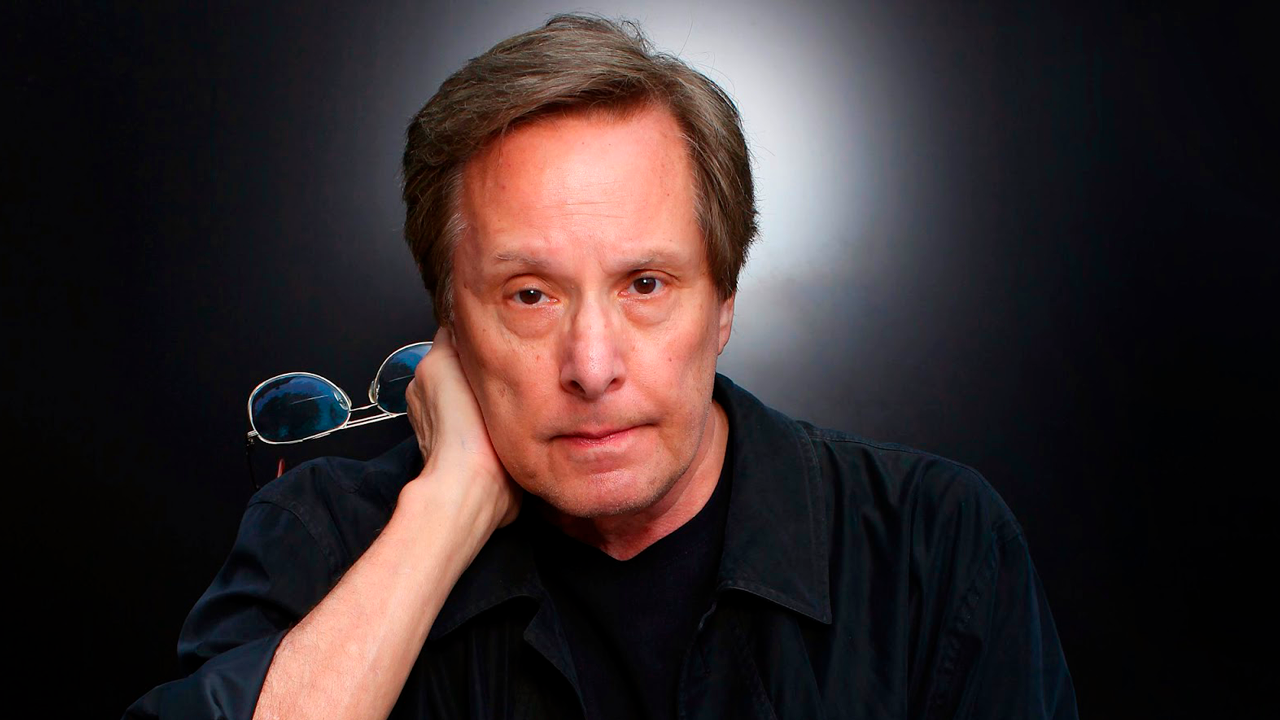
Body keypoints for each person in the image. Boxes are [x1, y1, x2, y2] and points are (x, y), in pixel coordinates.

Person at [127, 14, 1076, 720]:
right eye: (529, 295)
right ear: (451, 322)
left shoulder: (932, 548)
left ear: (725, 302)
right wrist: (443, 515)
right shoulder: (325, 538)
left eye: (645, 284)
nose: (591, 366)